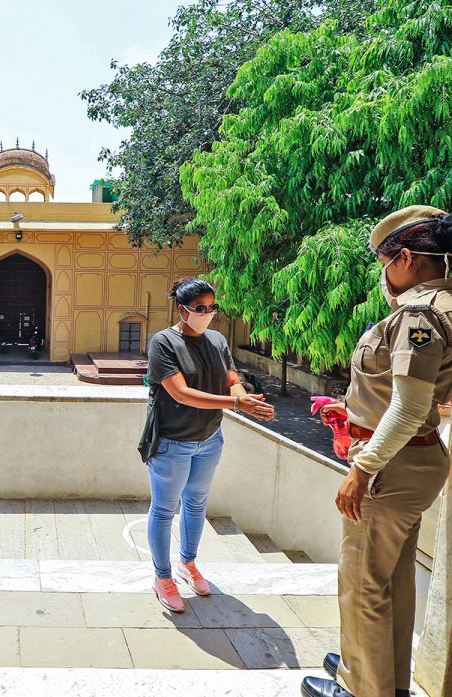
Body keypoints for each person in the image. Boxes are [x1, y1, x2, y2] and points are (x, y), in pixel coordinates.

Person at [302, 206, 452, 697]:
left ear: (405, 257)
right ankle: (382, 677)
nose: (384, 276)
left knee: (363, 583)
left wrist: (363, 468)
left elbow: (408, 407)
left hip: (392, 466)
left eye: (385, 263)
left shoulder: (418, 313)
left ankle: (359, 687)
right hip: (415, 460)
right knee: (392, 578)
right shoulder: (446, 304)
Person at [138, 278, 274, 613]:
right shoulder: (164, 343)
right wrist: (236, 405)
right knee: (164, 509)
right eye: (200, 309)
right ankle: (162, 577)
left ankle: (188, 563)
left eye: (212, 308)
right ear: (182, 309)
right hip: (173, 442)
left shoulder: (216, 340)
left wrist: (244, 398)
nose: (208, 314)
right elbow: (180, 393)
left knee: (197, 505)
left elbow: (232, 380)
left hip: (209, 439)